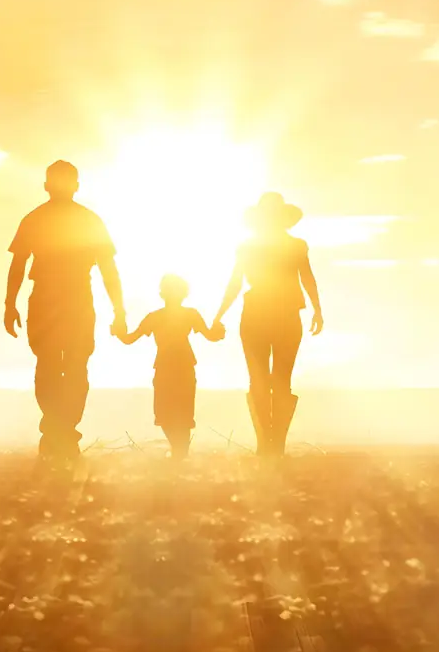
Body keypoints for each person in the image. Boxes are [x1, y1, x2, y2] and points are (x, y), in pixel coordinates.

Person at [4, 160, 126, 461]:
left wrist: (10, 305)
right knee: (65, 366)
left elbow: (18, 265)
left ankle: (61, 433)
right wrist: (118, 310)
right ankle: (60, 432)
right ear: (75, 185)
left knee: (60, 365)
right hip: (68, 299)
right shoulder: (85, 220)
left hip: (60, 299)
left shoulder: (39, 219)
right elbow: (108, 270)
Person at [212, 192, 323, 458]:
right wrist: (219, 314)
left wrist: (318, 309)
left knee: (269, 380)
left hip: (265, 313)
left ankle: (271, 443)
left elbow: (306, 276)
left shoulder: (287, 246)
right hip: (271, 313)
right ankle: (270, 443)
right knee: (270, 380)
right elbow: (236, 281)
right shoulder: (284, 245)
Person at [116, 273, 225, 461]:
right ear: (184, 294)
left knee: (166, 411)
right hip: (182, 365)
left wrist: (118, 329)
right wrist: (219, 329)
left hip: (168, 365)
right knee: (179, 409)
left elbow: (128, 339)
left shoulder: (155, 317)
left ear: (161, 294)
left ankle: (179, 449)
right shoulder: (189, 314)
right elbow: (211, 336)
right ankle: (180, 449)